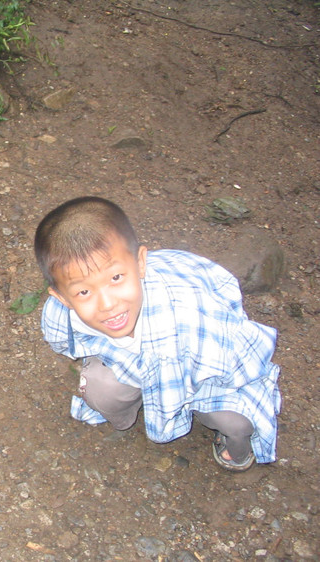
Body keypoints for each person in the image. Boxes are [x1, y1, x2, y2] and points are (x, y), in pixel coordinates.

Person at [34, 196, 281, 472]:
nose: (107, 304)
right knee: (101, 389)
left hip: (200, 367)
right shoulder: (61, 315)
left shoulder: (189, 313)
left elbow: (241, 362)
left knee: (238, 422)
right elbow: (62, 340)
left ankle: (232, 444)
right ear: (62, 298)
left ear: (140, 263)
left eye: (116, 278)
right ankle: (129, 410)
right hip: (143, 363)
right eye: (84, 291)